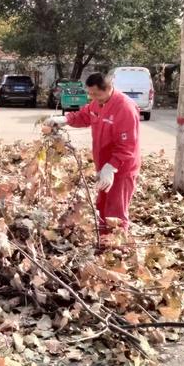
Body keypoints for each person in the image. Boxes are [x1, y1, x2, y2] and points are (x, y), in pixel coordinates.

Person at [43, 72, 140, 241]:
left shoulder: (125, 108)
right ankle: (103, 244)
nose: (92, 97)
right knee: (102, 206)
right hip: (103, 166)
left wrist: (111, 167)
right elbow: (84, 116)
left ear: (109, 88)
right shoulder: (97, 103)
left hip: (121, 169)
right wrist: (64, 119)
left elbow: (128, 145)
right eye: (90, 94)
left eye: (96, 94)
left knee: (115, 211)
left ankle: (116, 251)